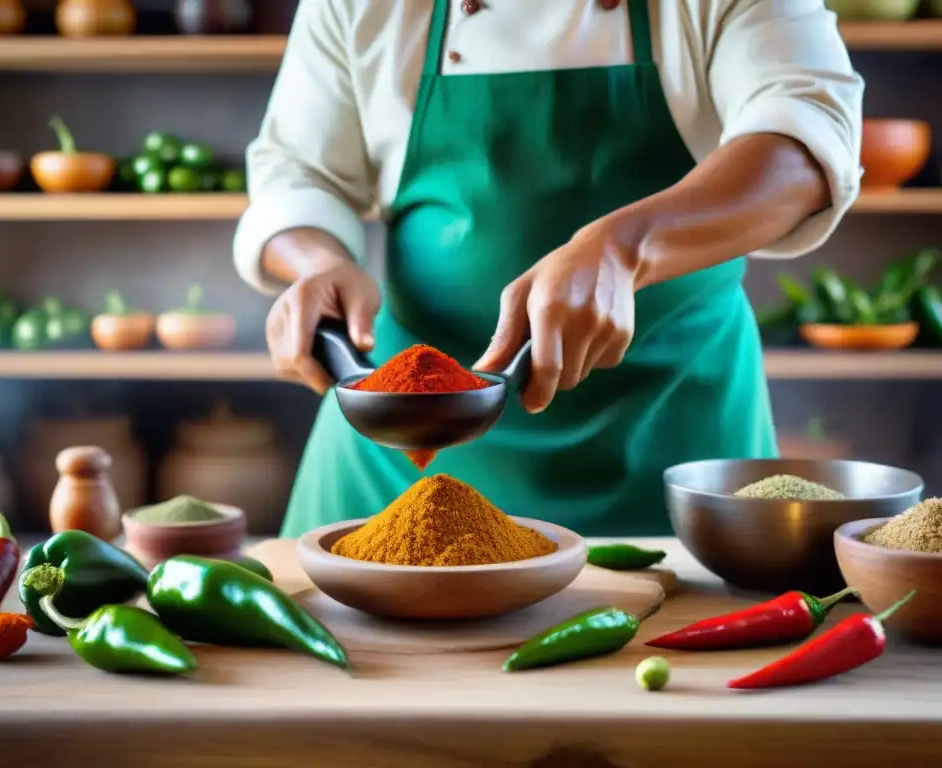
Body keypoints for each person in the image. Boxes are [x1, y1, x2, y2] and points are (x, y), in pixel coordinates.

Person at [234, 0, 863, 537]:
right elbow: (297, 173)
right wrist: (318, 263)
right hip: (401, 448)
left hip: (672, 439)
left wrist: (625, 246)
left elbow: (807, 139)